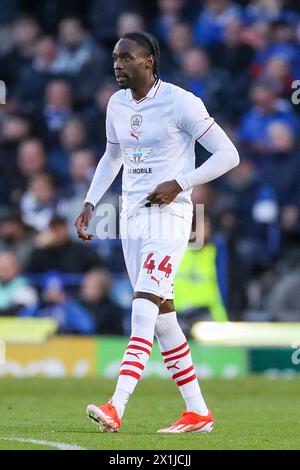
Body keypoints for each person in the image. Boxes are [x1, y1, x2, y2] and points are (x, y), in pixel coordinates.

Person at [75, 31, 239, 433]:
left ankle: (117, 405)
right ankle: (197, 412)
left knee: (143, 305)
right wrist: (91, 202)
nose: (117, 64)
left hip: (170, 217)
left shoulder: (181, 102)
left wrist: (181, 182)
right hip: (131, 219)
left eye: (126, 57)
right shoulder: (115, 104)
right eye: (115, 57)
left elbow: (229, 155)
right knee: (164, 318)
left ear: (148, 61)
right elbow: (112, 156)